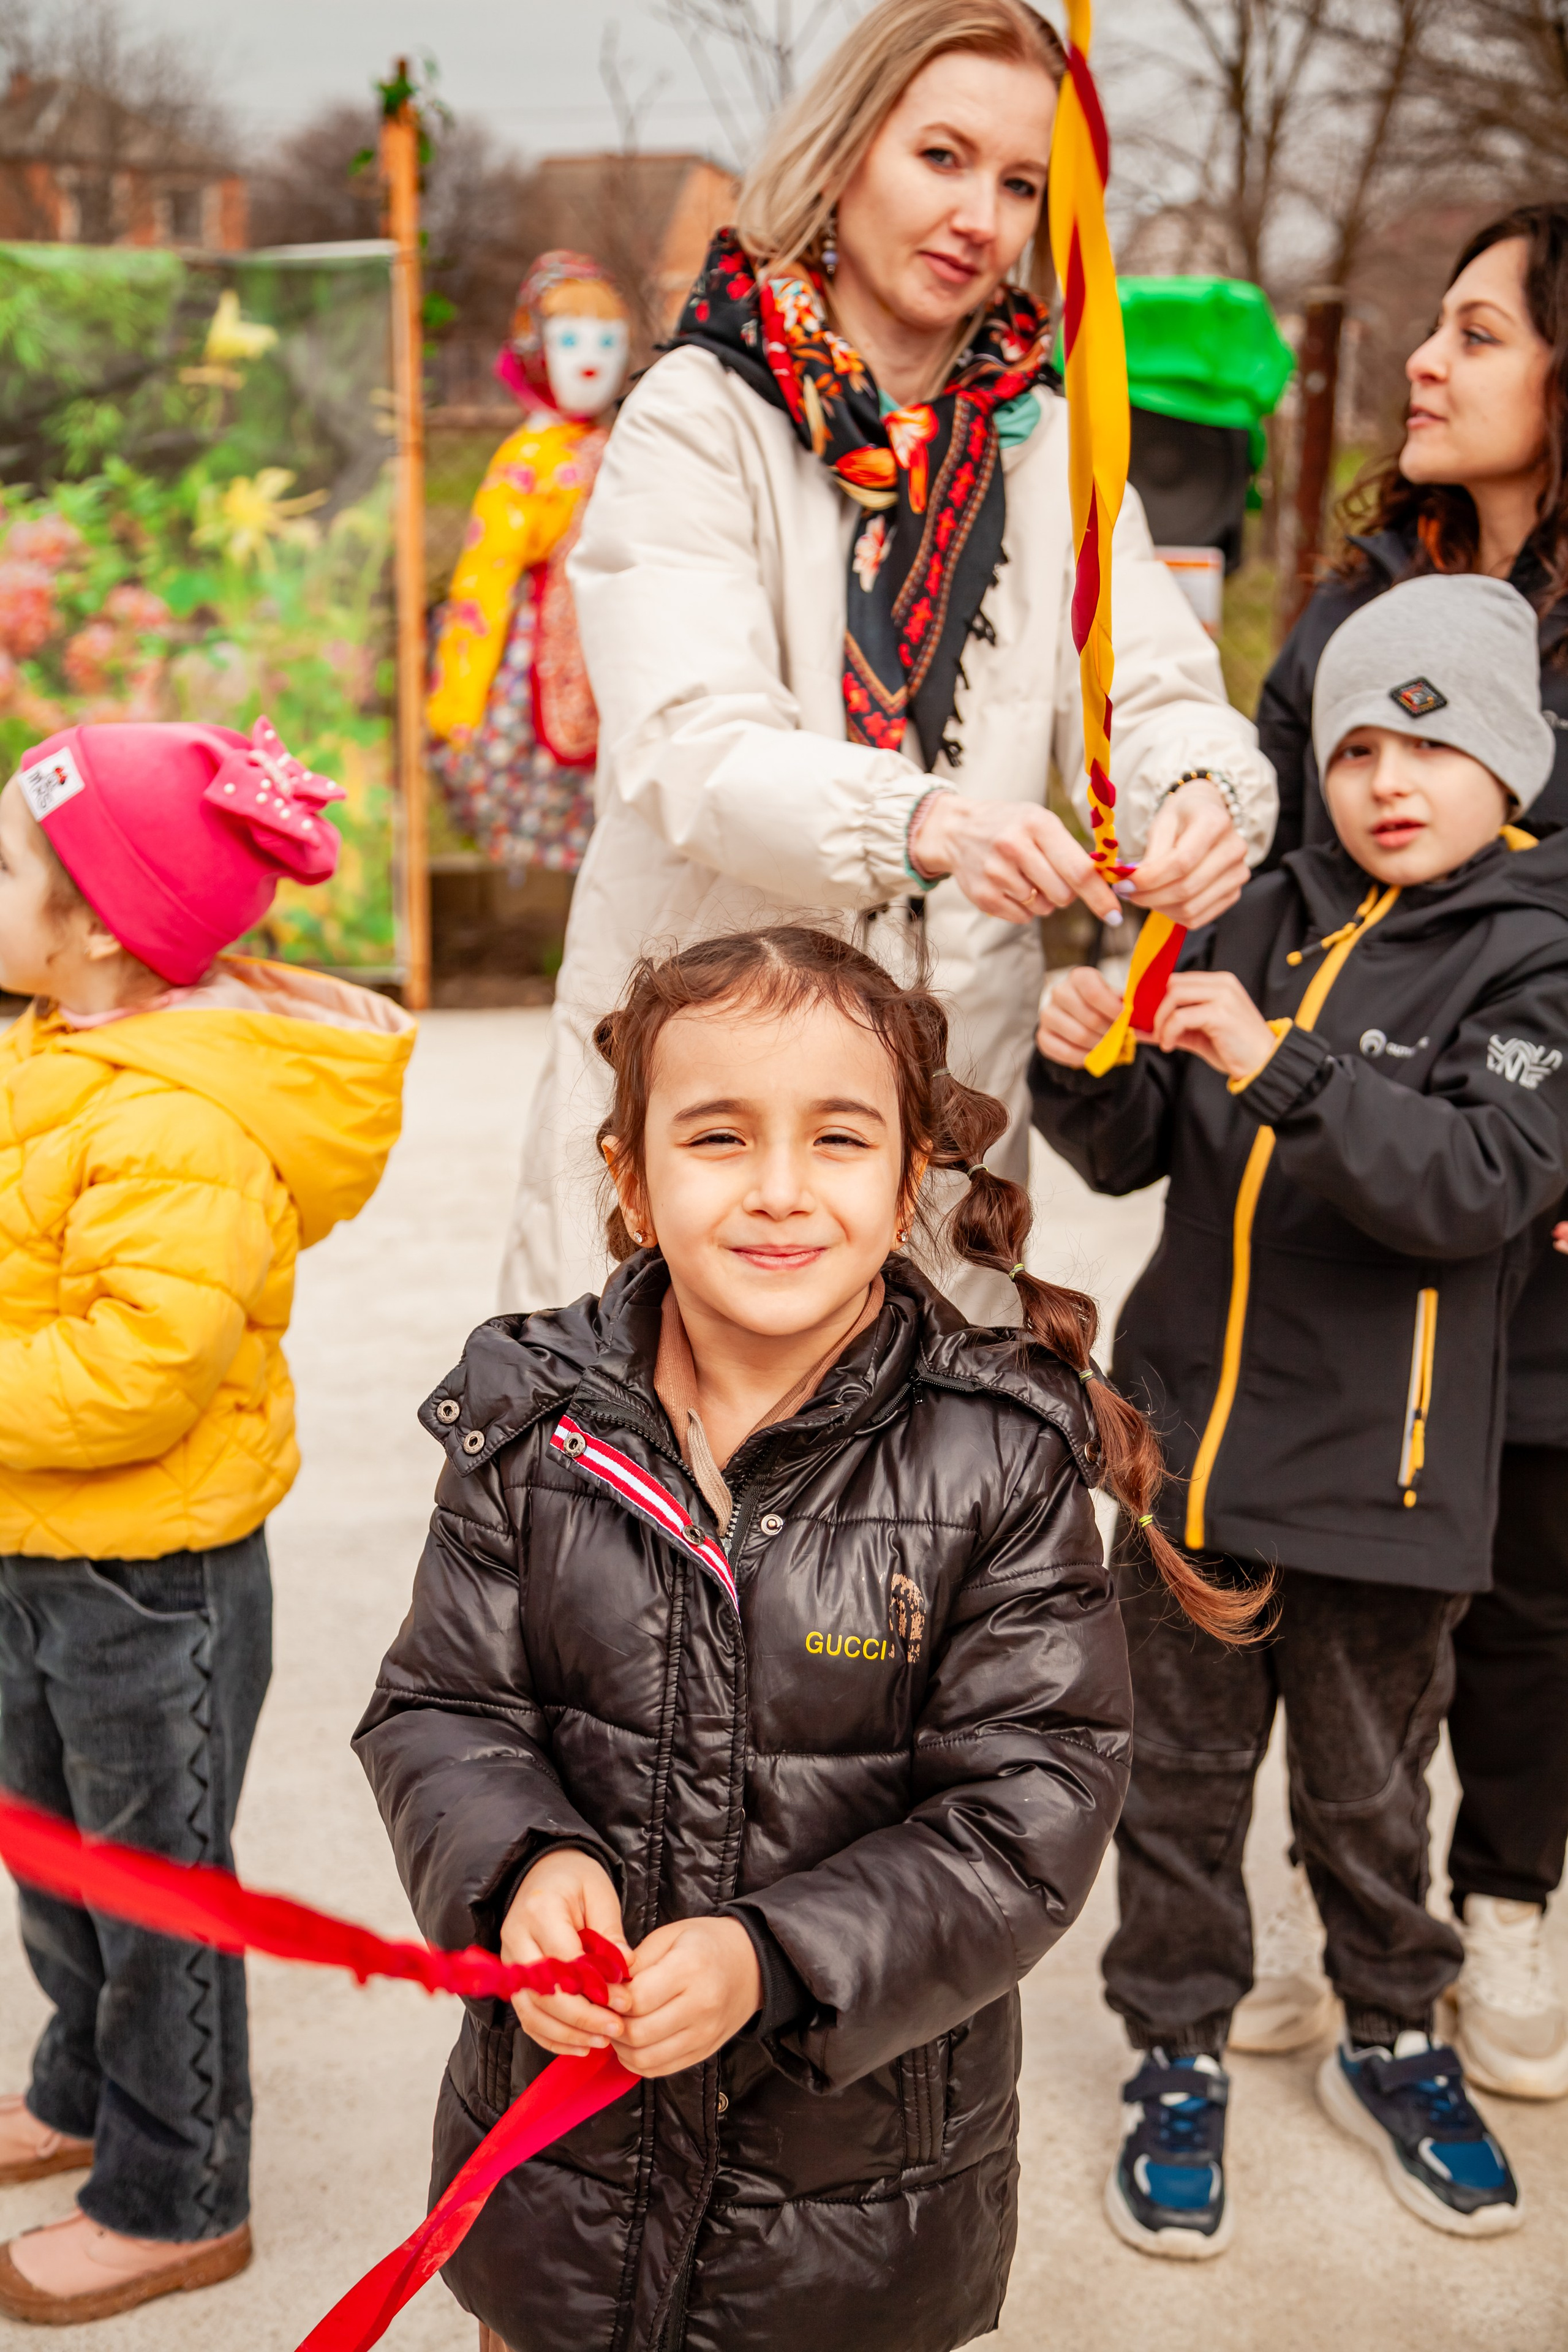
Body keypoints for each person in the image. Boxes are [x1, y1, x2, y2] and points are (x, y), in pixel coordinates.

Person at [356, 924, 1257, 2352]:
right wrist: (523, 1863)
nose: (777, 1188)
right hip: (560, 2176)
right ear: (630, 1180)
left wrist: (770, 1959)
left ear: (905, 1185)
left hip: (857, 2211)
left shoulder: (996, 1458)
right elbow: (441, 1709)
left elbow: (1027, 1809)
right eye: (717, 1136)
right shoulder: (531, 1424)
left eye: (836, 1139)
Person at [499, 0, 1278, 1321]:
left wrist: (1197, 791)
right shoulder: (698, 412)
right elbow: (689, 741)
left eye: (1020, 182)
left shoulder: (1053, 443)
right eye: (942, 157)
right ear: (846, 150)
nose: (979, 214)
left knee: (940, 1440)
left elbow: (1146, 687)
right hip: (711, 1094)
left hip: (939, 1106)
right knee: (676, 1441)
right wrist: (924, 822)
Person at [1031, 574, 1568, 2253]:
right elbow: (1132, 1150)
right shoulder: (1254, 910)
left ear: (1513, 762)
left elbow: (1478, 1179)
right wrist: (1084, 1059)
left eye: (1432, 745)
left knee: (1367, 1798)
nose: (1387, 781)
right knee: (1177, 1788)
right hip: (1186, 1466)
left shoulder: (1534, 952)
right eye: (1351, 750)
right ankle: (1173, 2053)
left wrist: (1281, 1066)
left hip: (1381, 1490)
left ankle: (1391, 2035)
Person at [0, 720, 414, 2323]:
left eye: (7, 865)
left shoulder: (178, 1122)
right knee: (54, 1858)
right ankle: (80, 2088)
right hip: (34, 1543)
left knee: (154, 1891)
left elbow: (133, 1378)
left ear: (99, 930)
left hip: (142, 1583)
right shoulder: (59, 1042)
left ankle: (177, 2193)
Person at [1252, 202, 1568, 2099]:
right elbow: (1290, 846)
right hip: (1359, 1154)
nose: (1425, 364)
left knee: (1529, 1565)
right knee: (1336, 1545)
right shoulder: (1359, 590)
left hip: (1540, 1145)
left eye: (1479, 332)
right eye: (1432, 327)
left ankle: (1507, 1897)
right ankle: (1345, 1890)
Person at [427, 251, 631, 872]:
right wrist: (460, 696)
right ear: (535, 351)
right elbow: (484, 575)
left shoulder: (628, 446)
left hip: (613, 642)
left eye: (606, 341)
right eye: (570, 341)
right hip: (541, 650)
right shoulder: (527, 460)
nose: (590, 358)